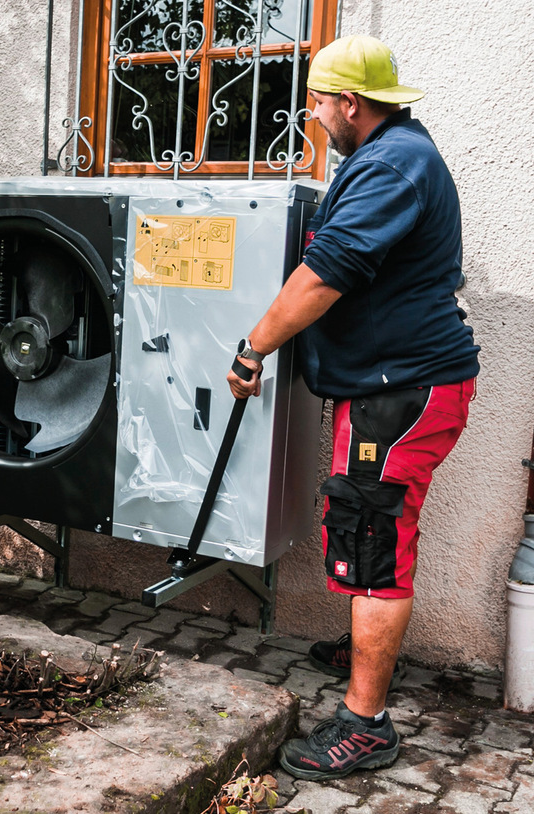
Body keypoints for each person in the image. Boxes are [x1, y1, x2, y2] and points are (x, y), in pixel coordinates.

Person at [227, 35, 479, 779]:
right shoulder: (385, 156)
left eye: (316, 103)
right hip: (386, 384)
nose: (312, 117)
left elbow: (325, 273)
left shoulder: (394, 163)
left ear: (348, 102)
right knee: (368, 528)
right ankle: (368, 649)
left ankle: (366, 724)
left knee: (371, 539)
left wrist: (253, 347)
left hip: (401, 390)